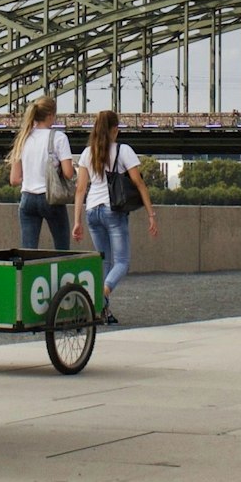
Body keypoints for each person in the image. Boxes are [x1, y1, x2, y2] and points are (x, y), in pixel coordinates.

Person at [71, 109, 159, 324]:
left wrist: (76, 221)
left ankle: (103, 312)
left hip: (92, 211)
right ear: (114, 130)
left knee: (104, 262)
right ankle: (99, 298)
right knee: (121, 262)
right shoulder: (124, 150)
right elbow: (139, 183)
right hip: (113, 211)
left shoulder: (86, 153)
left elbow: (80, 189)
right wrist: (151, 214)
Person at [9, 97, 73, 249]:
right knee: (62, 248)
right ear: (50, 115)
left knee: (28, 250)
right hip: (50, 197)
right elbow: (68, 173)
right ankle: (60, 272)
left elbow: (14, 180)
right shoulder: (59, 138)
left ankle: (28, 273)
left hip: (27, 199)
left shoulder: (23, 138)